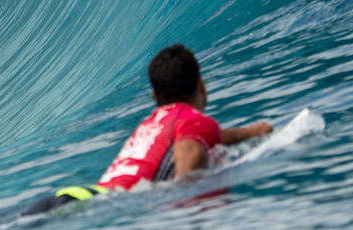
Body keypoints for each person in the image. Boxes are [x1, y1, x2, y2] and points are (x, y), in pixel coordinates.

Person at [23, 43, 273, 215]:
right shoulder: (195, 122)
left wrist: (249, 133)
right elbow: (187, 186)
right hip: (88, 207)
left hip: (71, 198)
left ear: (154, 97)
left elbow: (194, 139)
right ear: (201, 85)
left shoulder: (151, 124)